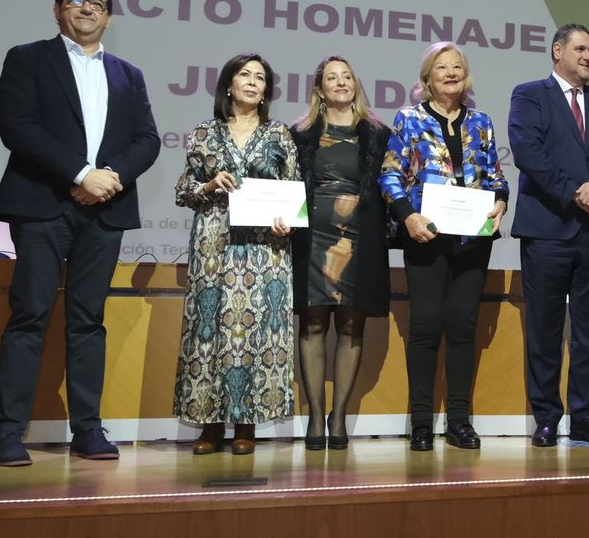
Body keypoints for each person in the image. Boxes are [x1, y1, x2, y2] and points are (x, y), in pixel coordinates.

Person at [0, 0, 160, 467]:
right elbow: (17, 127)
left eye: (98, 4)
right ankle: (9, 434)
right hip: (42, 204)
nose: (87, 9)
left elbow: (147, 139)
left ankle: (87, 429)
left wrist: (111, 177)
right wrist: (82, 173)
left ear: (108, 17)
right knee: (30, 315)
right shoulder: (28, 58)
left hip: (104, 211)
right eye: (77, 1)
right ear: (58, 9)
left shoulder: (128, 73)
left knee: (88, 321)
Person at [508, 24, 589, 446]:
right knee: (544, 331)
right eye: (581, 49)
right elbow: (529, 153)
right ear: (557, 51)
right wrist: (575, 192)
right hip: (547, 230)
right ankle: (546, 418)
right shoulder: (529, 94)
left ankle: (585, 417)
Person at [381, 42, 509, 451]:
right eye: (442, 67)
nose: (451, 72)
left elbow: (496, 178)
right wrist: (408, 216)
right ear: (427, 78)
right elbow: (390, 176)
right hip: (425, 236)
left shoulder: (482, 121)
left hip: (473, 240)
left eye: (458, 66)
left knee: (462, 328)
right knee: (424, 328)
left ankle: (459, 421)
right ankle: (421, 423)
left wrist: (501, 203)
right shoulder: (409, 118)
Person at [173, 54, 299, 455]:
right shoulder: (204, 133)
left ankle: (246, 424)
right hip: (215, 245)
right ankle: (209, 425)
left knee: (257, 331)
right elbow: (182, 191)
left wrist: (288, 221)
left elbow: (294, 190)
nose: (252, 82)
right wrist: (209, 185)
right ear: (228, 84)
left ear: (266, 91)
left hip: (266, 249)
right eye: (244, 75)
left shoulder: (280, 134)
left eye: (260, 77)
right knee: (209, 331)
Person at [290, 55, 391, 452]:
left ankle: (339, 416)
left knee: (352, 326)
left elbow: (394, 184)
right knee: (312, 325)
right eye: (332, 77)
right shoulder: (299, 134)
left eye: (347, 76)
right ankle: (316, 415)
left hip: (360, 238)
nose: (341, 82)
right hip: (311, 236)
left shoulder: (378, 133)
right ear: (319, 88)